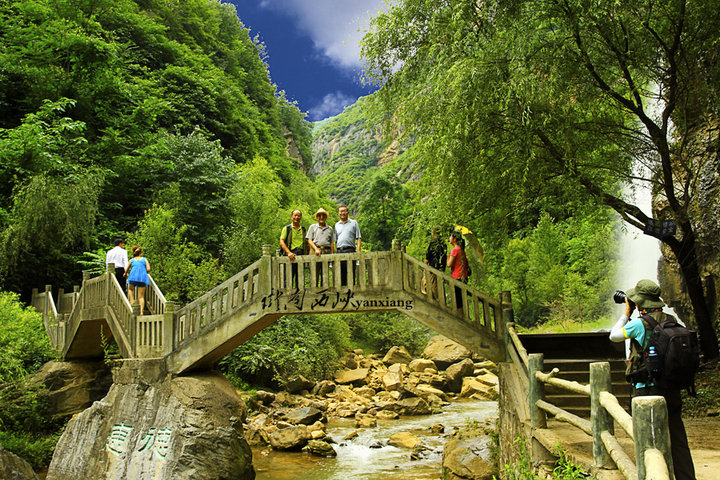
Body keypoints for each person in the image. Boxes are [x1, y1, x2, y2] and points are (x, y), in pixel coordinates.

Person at [609, 279, 696, 480]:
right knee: (678, 438)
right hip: (671, 387)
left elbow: (614, 336)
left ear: (639, 303)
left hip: (647, 390)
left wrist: (626, 313)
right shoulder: (671, 319)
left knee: (649, 441)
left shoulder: (639, 324)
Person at [306, 208, 335, 285]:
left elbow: (332, 243)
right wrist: (316, 249)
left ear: (326, 217)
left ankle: (324, 292)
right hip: (315, 251)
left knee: (324, 274)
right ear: (317, 217)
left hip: (326, 251)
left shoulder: (330, 229)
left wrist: (332, 255)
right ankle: (314, 292)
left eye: (323, 215)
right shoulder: (312, 227)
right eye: (319, 215)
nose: (321, 217)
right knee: (314, 273)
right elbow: (309, 240)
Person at [279, 209, 307, 288]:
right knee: (288, 278)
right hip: (290, 254)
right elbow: (281, 241)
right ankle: (287, 296)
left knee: (300, 277)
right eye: (295, 215)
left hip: (301, 254)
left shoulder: (303, 229)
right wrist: (288, 252)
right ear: (292, 217)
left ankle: (299, 297)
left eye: (298, 215)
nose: (297, 217)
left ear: (301, 217)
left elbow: (306, 243)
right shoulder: (287, 228)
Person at [335, 205, 361, 286]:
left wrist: (358, 250)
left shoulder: (354, 222)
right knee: (341, 272)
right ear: (338, 213)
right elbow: (335, 240)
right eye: (341, 211)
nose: (342, 213)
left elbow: (358, 237)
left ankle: (351, 291)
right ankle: (343, 293)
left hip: (350, 250)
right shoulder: (336, 225)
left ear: (347, 212)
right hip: (339, 251)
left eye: (344, 211)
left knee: (351, 272)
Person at [124, 246, 151, 316]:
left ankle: (132, 301)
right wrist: (145, 271)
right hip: (142, 278)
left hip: (133, 277)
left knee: (130, 289)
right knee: (141, 296)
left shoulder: (131, 260)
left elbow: (126, 269)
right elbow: (148, 269)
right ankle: (141, 312)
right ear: (140, 253)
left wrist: (125, 273)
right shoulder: (144, 260)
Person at [447, 230, 469, 310]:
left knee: (458, 302)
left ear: (454, 239)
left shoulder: (455, 250)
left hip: (457, 277)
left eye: (450, 236)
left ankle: (460, 318)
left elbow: (449, 264)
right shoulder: (461, 250)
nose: (449, 238)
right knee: (462, 300)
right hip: (464, 277)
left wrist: (447, 257)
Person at [424, 226, 447, 298]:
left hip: (433, 266)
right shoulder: (443, 243)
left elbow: (429, 254)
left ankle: (435, 301)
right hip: (441, 267)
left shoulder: (433, 242)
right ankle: (440, 300)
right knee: (439, 285)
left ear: (433, 233)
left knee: (432, 284)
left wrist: (425, 265)